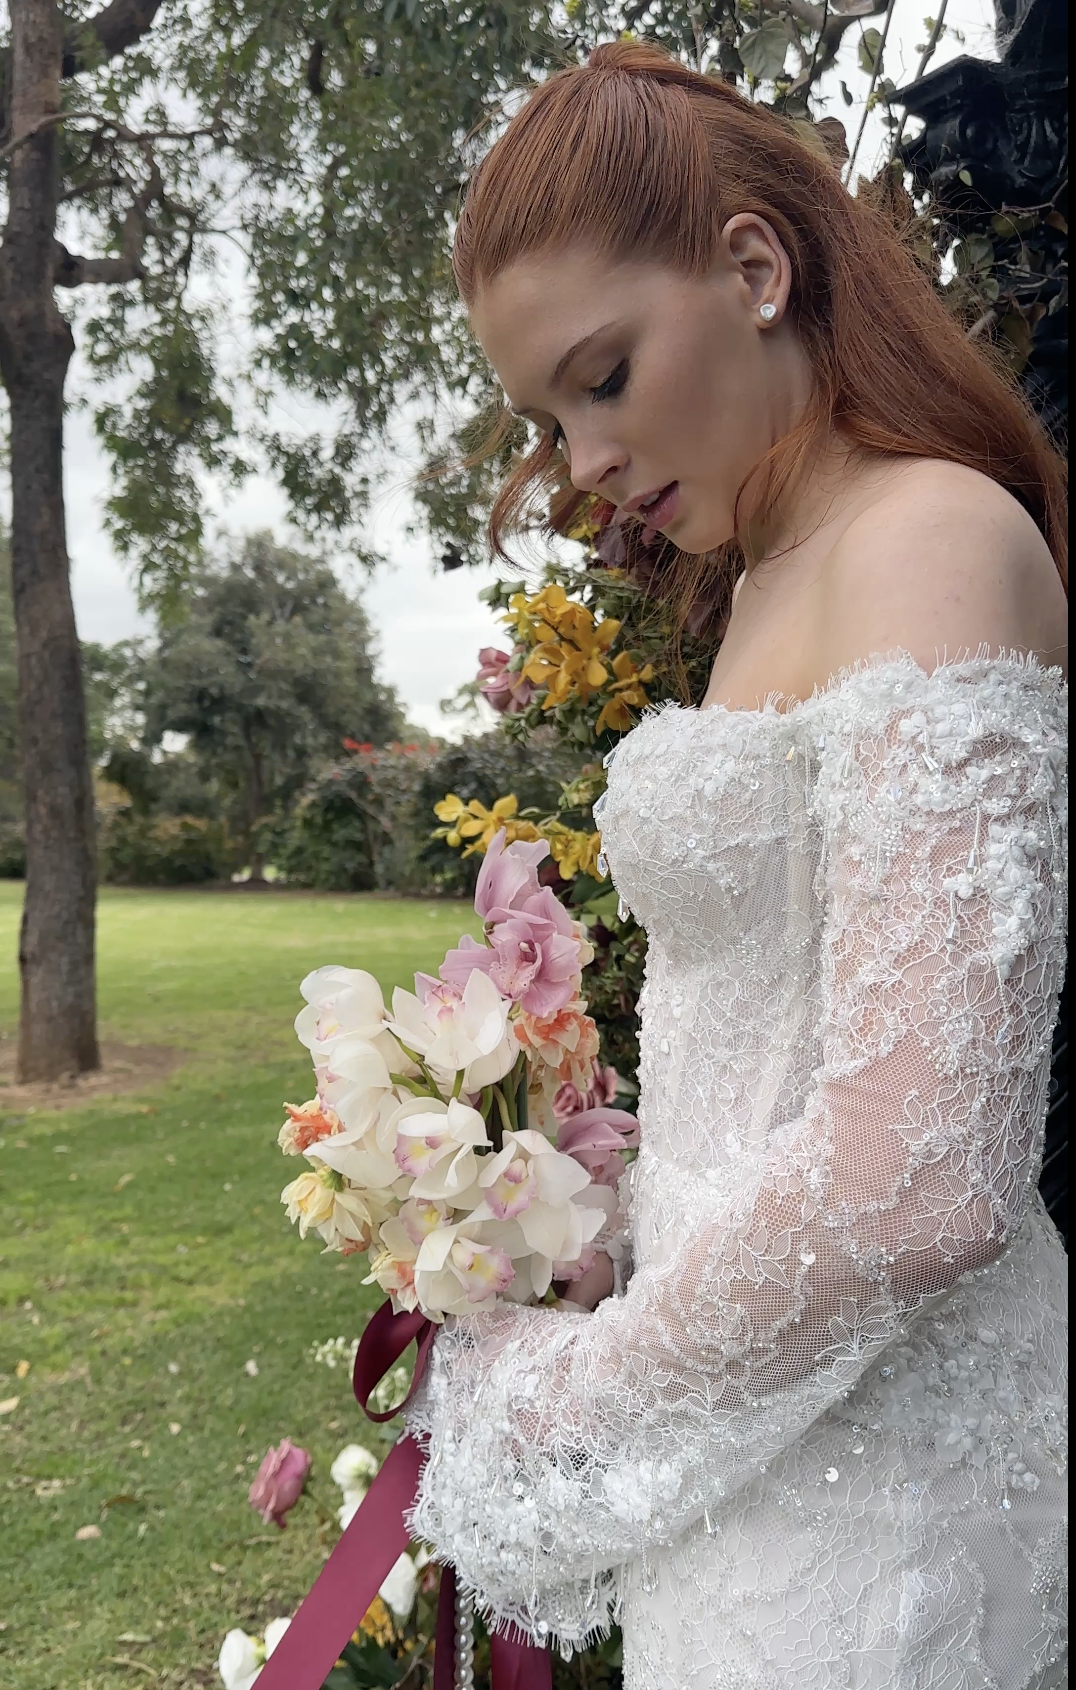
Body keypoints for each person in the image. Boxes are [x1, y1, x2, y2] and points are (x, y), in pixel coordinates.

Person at [405, 42, 1068, 1689]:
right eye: (550, 416)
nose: (583, 463)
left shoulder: (932, 536)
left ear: (756, 266)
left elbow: (923, 1167)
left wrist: (572, 1401)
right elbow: (767, 1041)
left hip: (885, 1494)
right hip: (755, 1459)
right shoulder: (770, 582)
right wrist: (596, 1208)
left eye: (603, 375)